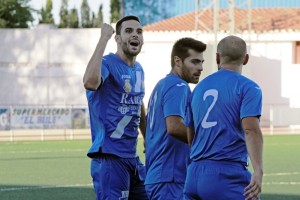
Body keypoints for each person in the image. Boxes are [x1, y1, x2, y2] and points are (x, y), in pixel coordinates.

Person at [183, 35, 263, 200]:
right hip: (226, 174)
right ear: (246, 59)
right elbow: (250, 129)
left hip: (194, 175)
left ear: (217, 57)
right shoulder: (249, 87)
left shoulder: (198, 89)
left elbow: (191, 134)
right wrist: (258, 170)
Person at [83, 16, 148, 200]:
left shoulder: (139, 69)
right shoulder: (107, 64)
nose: (135, 35)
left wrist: (147, 136)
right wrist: (103, 38)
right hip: (110, 157)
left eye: (139, 31)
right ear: (117, 39)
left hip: (131, 157)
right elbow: (89, 81)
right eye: (128, 31)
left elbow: (137, 101)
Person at [145, 37, 207, 199]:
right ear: (178, 61)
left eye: (201, 62)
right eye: (194, 62)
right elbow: (173, 127)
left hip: (160, 176)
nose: (200, 68)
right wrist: (207, 139)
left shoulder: (162, 84)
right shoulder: (178, 86)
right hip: (170, 178)